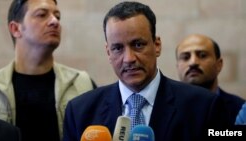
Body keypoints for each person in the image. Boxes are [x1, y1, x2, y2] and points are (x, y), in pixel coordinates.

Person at [63, 2, 226, 141]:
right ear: (108, 52)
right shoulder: (79, 111)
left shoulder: (204, 106)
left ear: (157, 45)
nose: (128, 58)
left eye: (138, 45)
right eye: (118, 48)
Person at [0, 0, 96, 141]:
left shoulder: (82, 83)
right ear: (15, 29)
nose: (55, 21)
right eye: (42, 15)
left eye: (57, 16)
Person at [175, 33, 245, 125]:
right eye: (186, 57)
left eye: (202, 55)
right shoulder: (163, 108)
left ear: (219, 64)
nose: (193, 62)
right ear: (177, 67)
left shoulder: (240, 109)